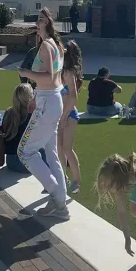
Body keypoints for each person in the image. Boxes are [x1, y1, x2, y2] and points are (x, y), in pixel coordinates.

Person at [17, 8, 70, 220]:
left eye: (41, 20)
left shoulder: (47, 46)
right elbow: (56, 78)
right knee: (51, 153)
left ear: (48, 23)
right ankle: (59, 203)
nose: (37, 23)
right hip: (51, 100)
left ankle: (57, 196)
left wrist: (26, 73)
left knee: (25, 152)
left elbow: (48, 77)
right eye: (37, 19)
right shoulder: (57, 45)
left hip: (47, 101)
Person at [1, 83, 44, 173]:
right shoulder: (31, 115)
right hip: (23, 162)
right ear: (28, 97)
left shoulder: (9, 112)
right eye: (32, 94)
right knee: (46, 151)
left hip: (10, 161)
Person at [59, 41, 83, 194]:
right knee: (59, 150)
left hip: (68, 115)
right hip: (60, 115)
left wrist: (64, 117)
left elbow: (73, 97)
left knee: (67, 149)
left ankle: (76, 181)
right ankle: (62, 179)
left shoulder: (68, 73)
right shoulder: (61, 72)